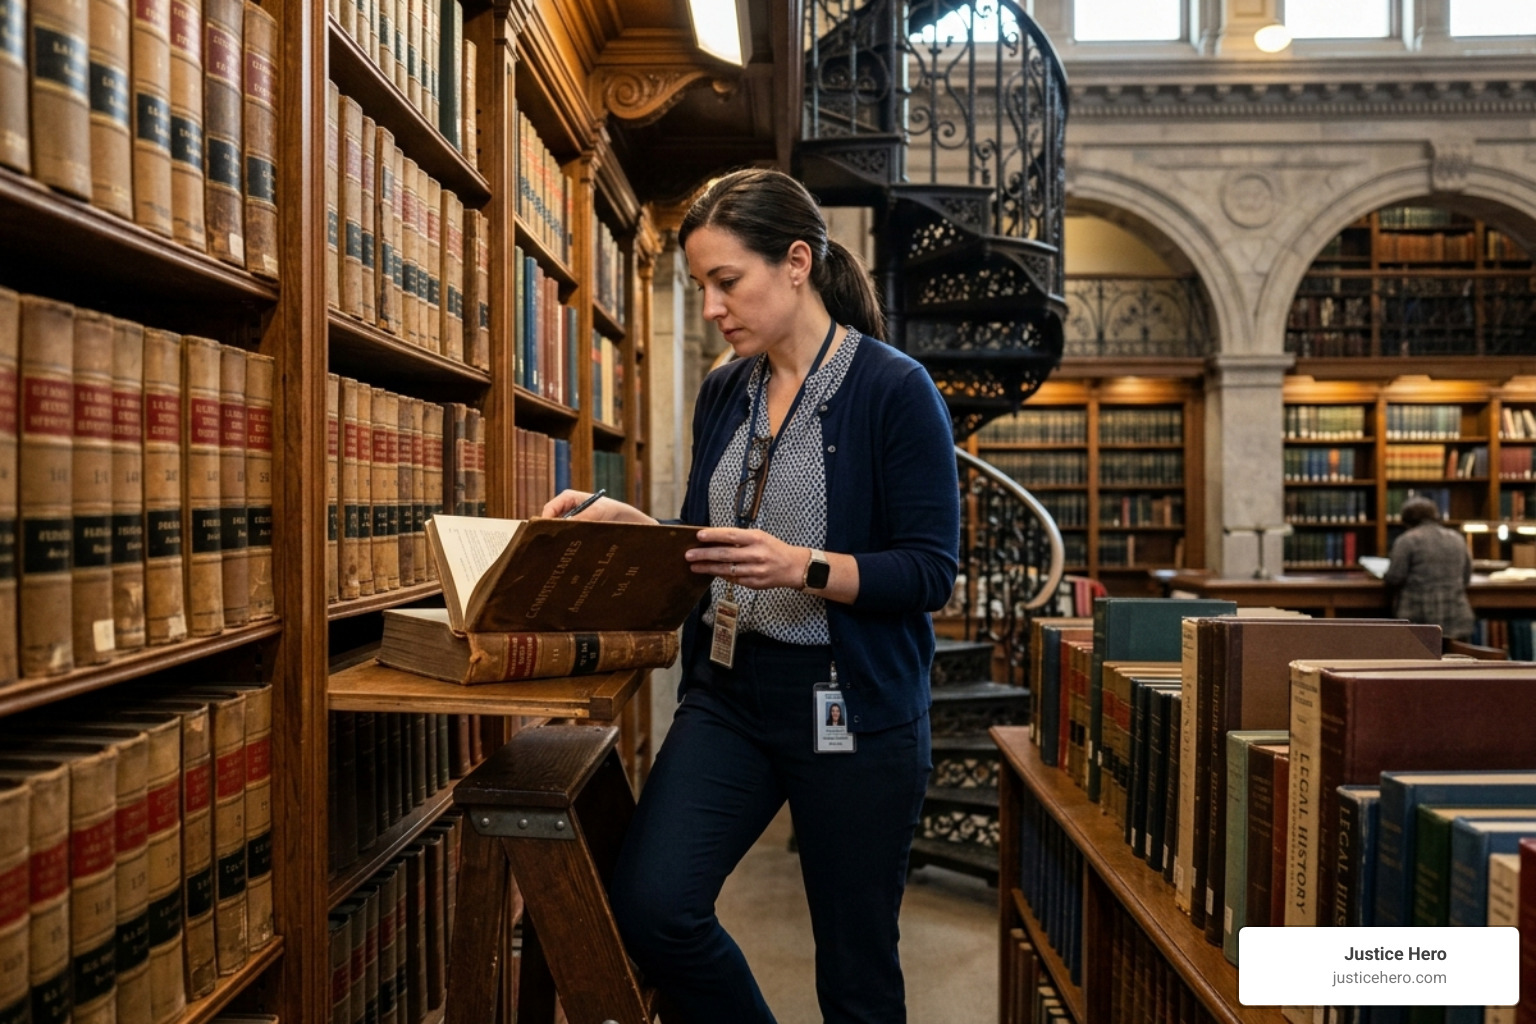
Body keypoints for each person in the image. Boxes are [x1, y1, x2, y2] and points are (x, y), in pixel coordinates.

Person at [540, 167, 960, 1023]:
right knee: (655, 907)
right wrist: (635, 525)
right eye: (701, 286)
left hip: (850, 707)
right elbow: (711, 542)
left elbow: (928, 573)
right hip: (731, 694)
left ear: (796, 262)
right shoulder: (725, 389)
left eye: (726, 281)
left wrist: (803, 565)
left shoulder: (892, 390)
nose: (712, 309)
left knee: (855, 965)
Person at [1382, 496, 1475, 641]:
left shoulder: (1407, 540)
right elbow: (1466, 577)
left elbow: (1395, 577)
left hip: (1419, 618)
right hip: (1456, 616)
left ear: (1407, 520)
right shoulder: (1457, 538)